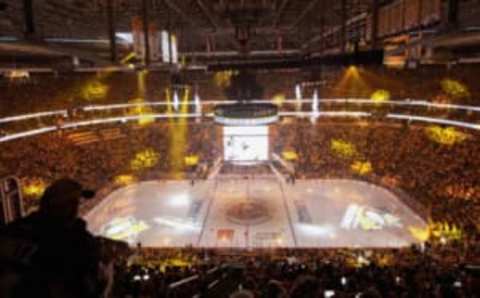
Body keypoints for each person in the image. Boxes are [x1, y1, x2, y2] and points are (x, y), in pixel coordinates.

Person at [0, 178, 103, 298]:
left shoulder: (16, 229)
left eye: (76, 203)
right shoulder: (76, 242)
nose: (76, 208)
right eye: (71, 203)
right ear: (57, 206)